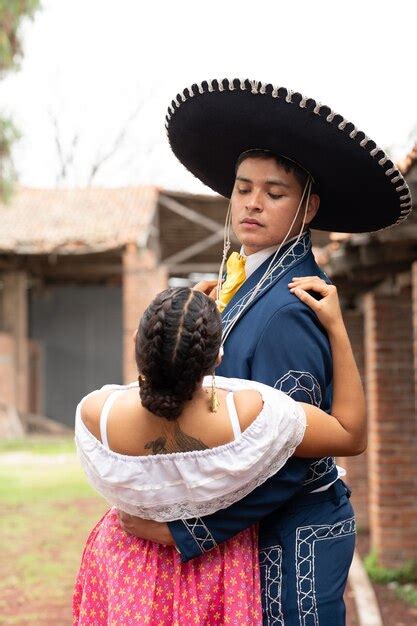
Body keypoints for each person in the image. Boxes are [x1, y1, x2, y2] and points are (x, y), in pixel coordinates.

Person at [118, 78, 411, 625]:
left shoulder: (289, 308)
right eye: (243, 187)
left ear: (308, 208)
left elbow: (288, 460)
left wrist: (184, 532)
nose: (252, 203)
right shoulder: (243, 286)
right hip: (260, 534)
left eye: (274, 193)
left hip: (291, 543)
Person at [73, 279, 365, 625]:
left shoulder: (95, 416)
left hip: (128, 566)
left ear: (138, 344)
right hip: (215, 571)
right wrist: (336, 327)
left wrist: (178, 323)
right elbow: (350, 434)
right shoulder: (250, 416)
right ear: (219, 355)